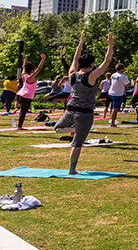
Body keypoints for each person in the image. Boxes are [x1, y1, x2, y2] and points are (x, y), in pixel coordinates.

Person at [55, 32, 114, 174]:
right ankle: (72, 170)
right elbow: (106, 62)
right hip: (84, 114)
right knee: (77, 143)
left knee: (57, 128)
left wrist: (80, 42)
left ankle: (76, 131)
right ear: (92, 64)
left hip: (70, 111)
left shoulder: (72, 74)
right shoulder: (91, 76)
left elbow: (75, 59)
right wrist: (110, 44)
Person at [14, 54, 46, 129]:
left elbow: (23, 68)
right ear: (32, 70)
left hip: (19, 95)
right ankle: (19, 126)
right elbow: (39, 69)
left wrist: (25, 59)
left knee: (22, 112)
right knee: (23, 112)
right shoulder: (30, 77)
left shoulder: (24, 75)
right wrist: (43, 59)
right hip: (26, 96)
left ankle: (19, 125)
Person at [107, 63, 130, 127]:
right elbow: (128, 84)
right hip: (118, 94)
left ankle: (111, 120)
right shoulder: (123, 76)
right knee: (115, 109)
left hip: (111, 92)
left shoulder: (113, 75)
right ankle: (112, 123)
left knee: (114, 107)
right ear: (122, 69)